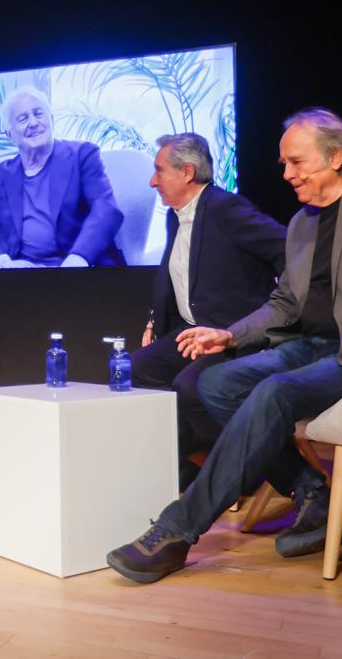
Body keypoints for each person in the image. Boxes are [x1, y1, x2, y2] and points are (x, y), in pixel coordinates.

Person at [106, 109, 342, 583]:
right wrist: (231, 334)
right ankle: (315, 493)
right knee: (217, 382)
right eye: (283, 164)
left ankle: (175, 531)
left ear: (335, 157)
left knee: (273, 393)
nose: (287, 174)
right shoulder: (302, 223)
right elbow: (284, 304)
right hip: (307, 345)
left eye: (296, 162)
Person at [131, 133, 286, 490]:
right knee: (137, 370)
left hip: (234, 336)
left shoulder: (224, 208)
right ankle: (199, 461)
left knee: (192, 386)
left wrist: (275, 310)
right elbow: (174, 276)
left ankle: (240, 470)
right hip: (191, 332)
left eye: (159, 171)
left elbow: (285, 248)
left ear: (187, 172)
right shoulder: (177, 217)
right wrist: (155, 319)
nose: (153, 181)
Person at [0, 86, 124, 268]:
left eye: (38, 114)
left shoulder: (82, 155)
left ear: (51, 120)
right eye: (23, 118)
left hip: (78, 269)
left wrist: (78, 258)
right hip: (21, 276)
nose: (33, 123)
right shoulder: (2, 175)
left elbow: (106, 210)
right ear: (10, 135)